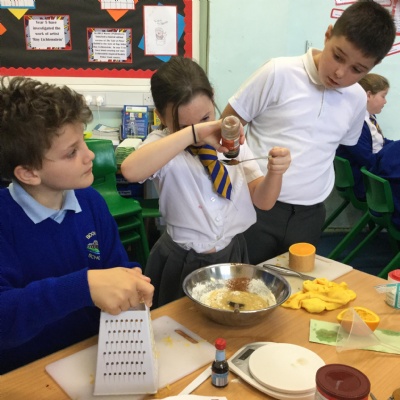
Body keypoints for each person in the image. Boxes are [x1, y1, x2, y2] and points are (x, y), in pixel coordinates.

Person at [221, 0, 396, 264]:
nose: (340, 73)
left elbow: (332, 146)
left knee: (298, 284)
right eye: (338, 56)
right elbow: (226, 127)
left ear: (371, 68)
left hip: (310, 215)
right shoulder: (278, 72)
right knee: (244, 280)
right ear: (328, 35)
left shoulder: (357, 99)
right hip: (254, 208)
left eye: (357, 70)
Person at [0, 76, 154, 374]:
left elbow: (115, 265)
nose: (90, 155)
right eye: (72, 152)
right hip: (27, 371)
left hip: (93, 356)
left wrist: (130, 279)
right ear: (29, 173)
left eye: (83, 140)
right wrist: (83, 286)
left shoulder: (91, 202)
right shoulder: (5, 221)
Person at [121, 56, 291, 308]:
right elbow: (130, 171)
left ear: (213, 96)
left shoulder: (229, 141)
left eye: (205, 118)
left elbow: (263, 201)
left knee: (229, 317)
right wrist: (194, 132)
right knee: (178, 325)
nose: (199, 133)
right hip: (181, 260)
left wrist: (276, 173)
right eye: (183, 126)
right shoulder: (161, 145)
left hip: (231, 255)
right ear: (161, 117)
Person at [336, 73, 392, 199]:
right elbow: (368, 160)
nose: (385, 101)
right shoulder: (357, 124)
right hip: (366, 183)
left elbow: (380, 142)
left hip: (370, 175)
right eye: (383, 96)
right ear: (368, 95)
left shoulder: (368, 118)